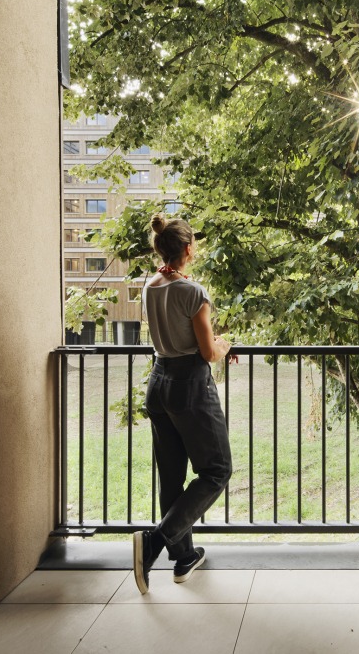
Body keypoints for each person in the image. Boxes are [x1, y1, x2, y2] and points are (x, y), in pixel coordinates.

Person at [133, 213, 233, 594]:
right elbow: (208, 352)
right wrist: (224, 345)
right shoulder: (194, 292)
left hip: (158, 384)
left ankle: (183, 557)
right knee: (217, 470)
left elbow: (172, 334)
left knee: (171, 476)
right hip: (189, 385)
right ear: (188, 249)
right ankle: (156, 541)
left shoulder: (151, 287)